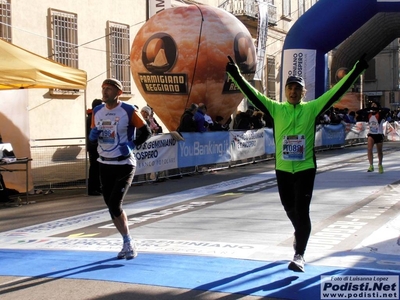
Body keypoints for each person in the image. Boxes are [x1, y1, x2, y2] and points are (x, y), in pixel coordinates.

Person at [226, 55, 368, 272]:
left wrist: (356, 69)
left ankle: (299, 254)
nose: (293, 92)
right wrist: (235, 74)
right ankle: (300, 234)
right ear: (285, 91)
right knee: (289, 208)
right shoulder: (275, 109)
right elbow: (251, 93)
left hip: (305, 168)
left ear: (304, 92)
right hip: (282, 169)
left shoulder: (311, 108)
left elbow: (336, 92)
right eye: (290, 88)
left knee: (302, 212)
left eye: (297, 89)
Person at [89, 78, 152, 260]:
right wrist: (92, 137)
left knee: (115, 203)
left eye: (109, 89)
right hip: (105, 162)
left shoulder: (128, 110)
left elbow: (146, 131)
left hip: (124, 163)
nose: (105, 92)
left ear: (118, 93)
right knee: (110, 206)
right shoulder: (98, 111)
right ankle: (126, 241)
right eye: (103, 88)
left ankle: (129, 242)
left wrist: (132, 145)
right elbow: (94, 136)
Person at [356, 101, 390, 173]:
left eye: (374, 105)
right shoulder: (369, 114)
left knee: (379, 151)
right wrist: (368, 109)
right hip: (371, 134)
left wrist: (379, 109)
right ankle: (371, 165)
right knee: (369, 149)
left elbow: (387, 110)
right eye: (372, 105)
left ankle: (380, 164)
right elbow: (358, 112)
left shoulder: (380, 114)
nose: (373, 106)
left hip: (379, 134)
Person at [86, 99, 103, 196]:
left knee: (97, 168)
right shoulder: (91, 118)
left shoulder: (93, 117)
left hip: (96, 146)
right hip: (94, 147)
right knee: (94, 168)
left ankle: (97, 187)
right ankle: (92, 189)